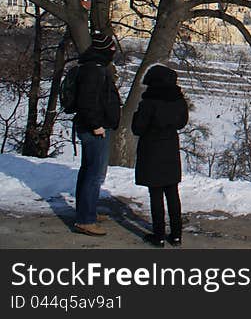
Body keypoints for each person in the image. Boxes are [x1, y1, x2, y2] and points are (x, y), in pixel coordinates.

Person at [132, 64, 189, 247]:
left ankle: (159, 235)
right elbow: (182, 123)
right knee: (172, 193)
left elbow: (138, 128)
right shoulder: (178, 100)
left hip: (151, 150)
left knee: (155, 194)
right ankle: (177, 234)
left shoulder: (148, 102)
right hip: (171, 148)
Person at [73, 31, 121, 236]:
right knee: (94, 174)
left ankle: (87, 210)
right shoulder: (94, 70)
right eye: (111, 49)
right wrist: (96, 125)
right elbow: (87, 101)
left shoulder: (93, 67)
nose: (113, 52)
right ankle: (86, 219)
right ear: (104, 50)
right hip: (95, 129)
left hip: (94, 126)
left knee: (88, 171)